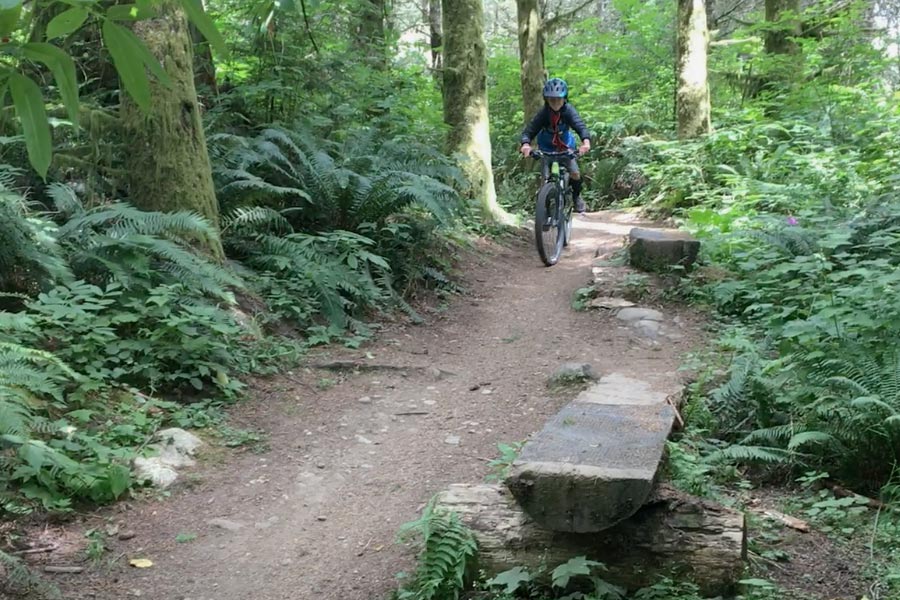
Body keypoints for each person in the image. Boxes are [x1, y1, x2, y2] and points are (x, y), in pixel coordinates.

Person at [520, 78, 591, 213]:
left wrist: (585, 142)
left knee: (575, 173)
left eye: (559, 99)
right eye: (552, 99)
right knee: (544, 180)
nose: (556, 103)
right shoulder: (544, 113)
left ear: (564, 99)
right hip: (546, 148)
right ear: (546, 100)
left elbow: (580, 126)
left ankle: (577, 197)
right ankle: (544, 211)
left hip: (566, 147)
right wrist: (525, 145)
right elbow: (529, 131)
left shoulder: (568, 111)